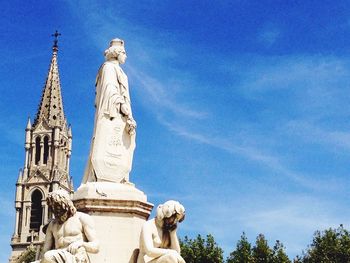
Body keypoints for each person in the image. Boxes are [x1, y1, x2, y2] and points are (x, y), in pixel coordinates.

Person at [82, 38, 136, 184]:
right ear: (117, 53)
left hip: (120, 116)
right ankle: (106, 176)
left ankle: (120, 178)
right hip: (112, 113)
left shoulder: (117, 69)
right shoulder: (108, 67)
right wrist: (123, 108)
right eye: (124, 53)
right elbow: (110, 89)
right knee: (109, 144)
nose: (126, 56)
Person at [38, 190, 99, 263]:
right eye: (52, 208)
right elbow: (45, 250)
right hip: (57, 256)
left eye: (58, 208)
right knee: (46, 257)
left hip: (77, 256)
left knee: (48, 256)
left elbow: (96, 246)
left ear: (67, 205)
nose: (55, 211)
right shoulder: (52, 225)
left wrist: (80, 244)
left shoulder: (81, 218)